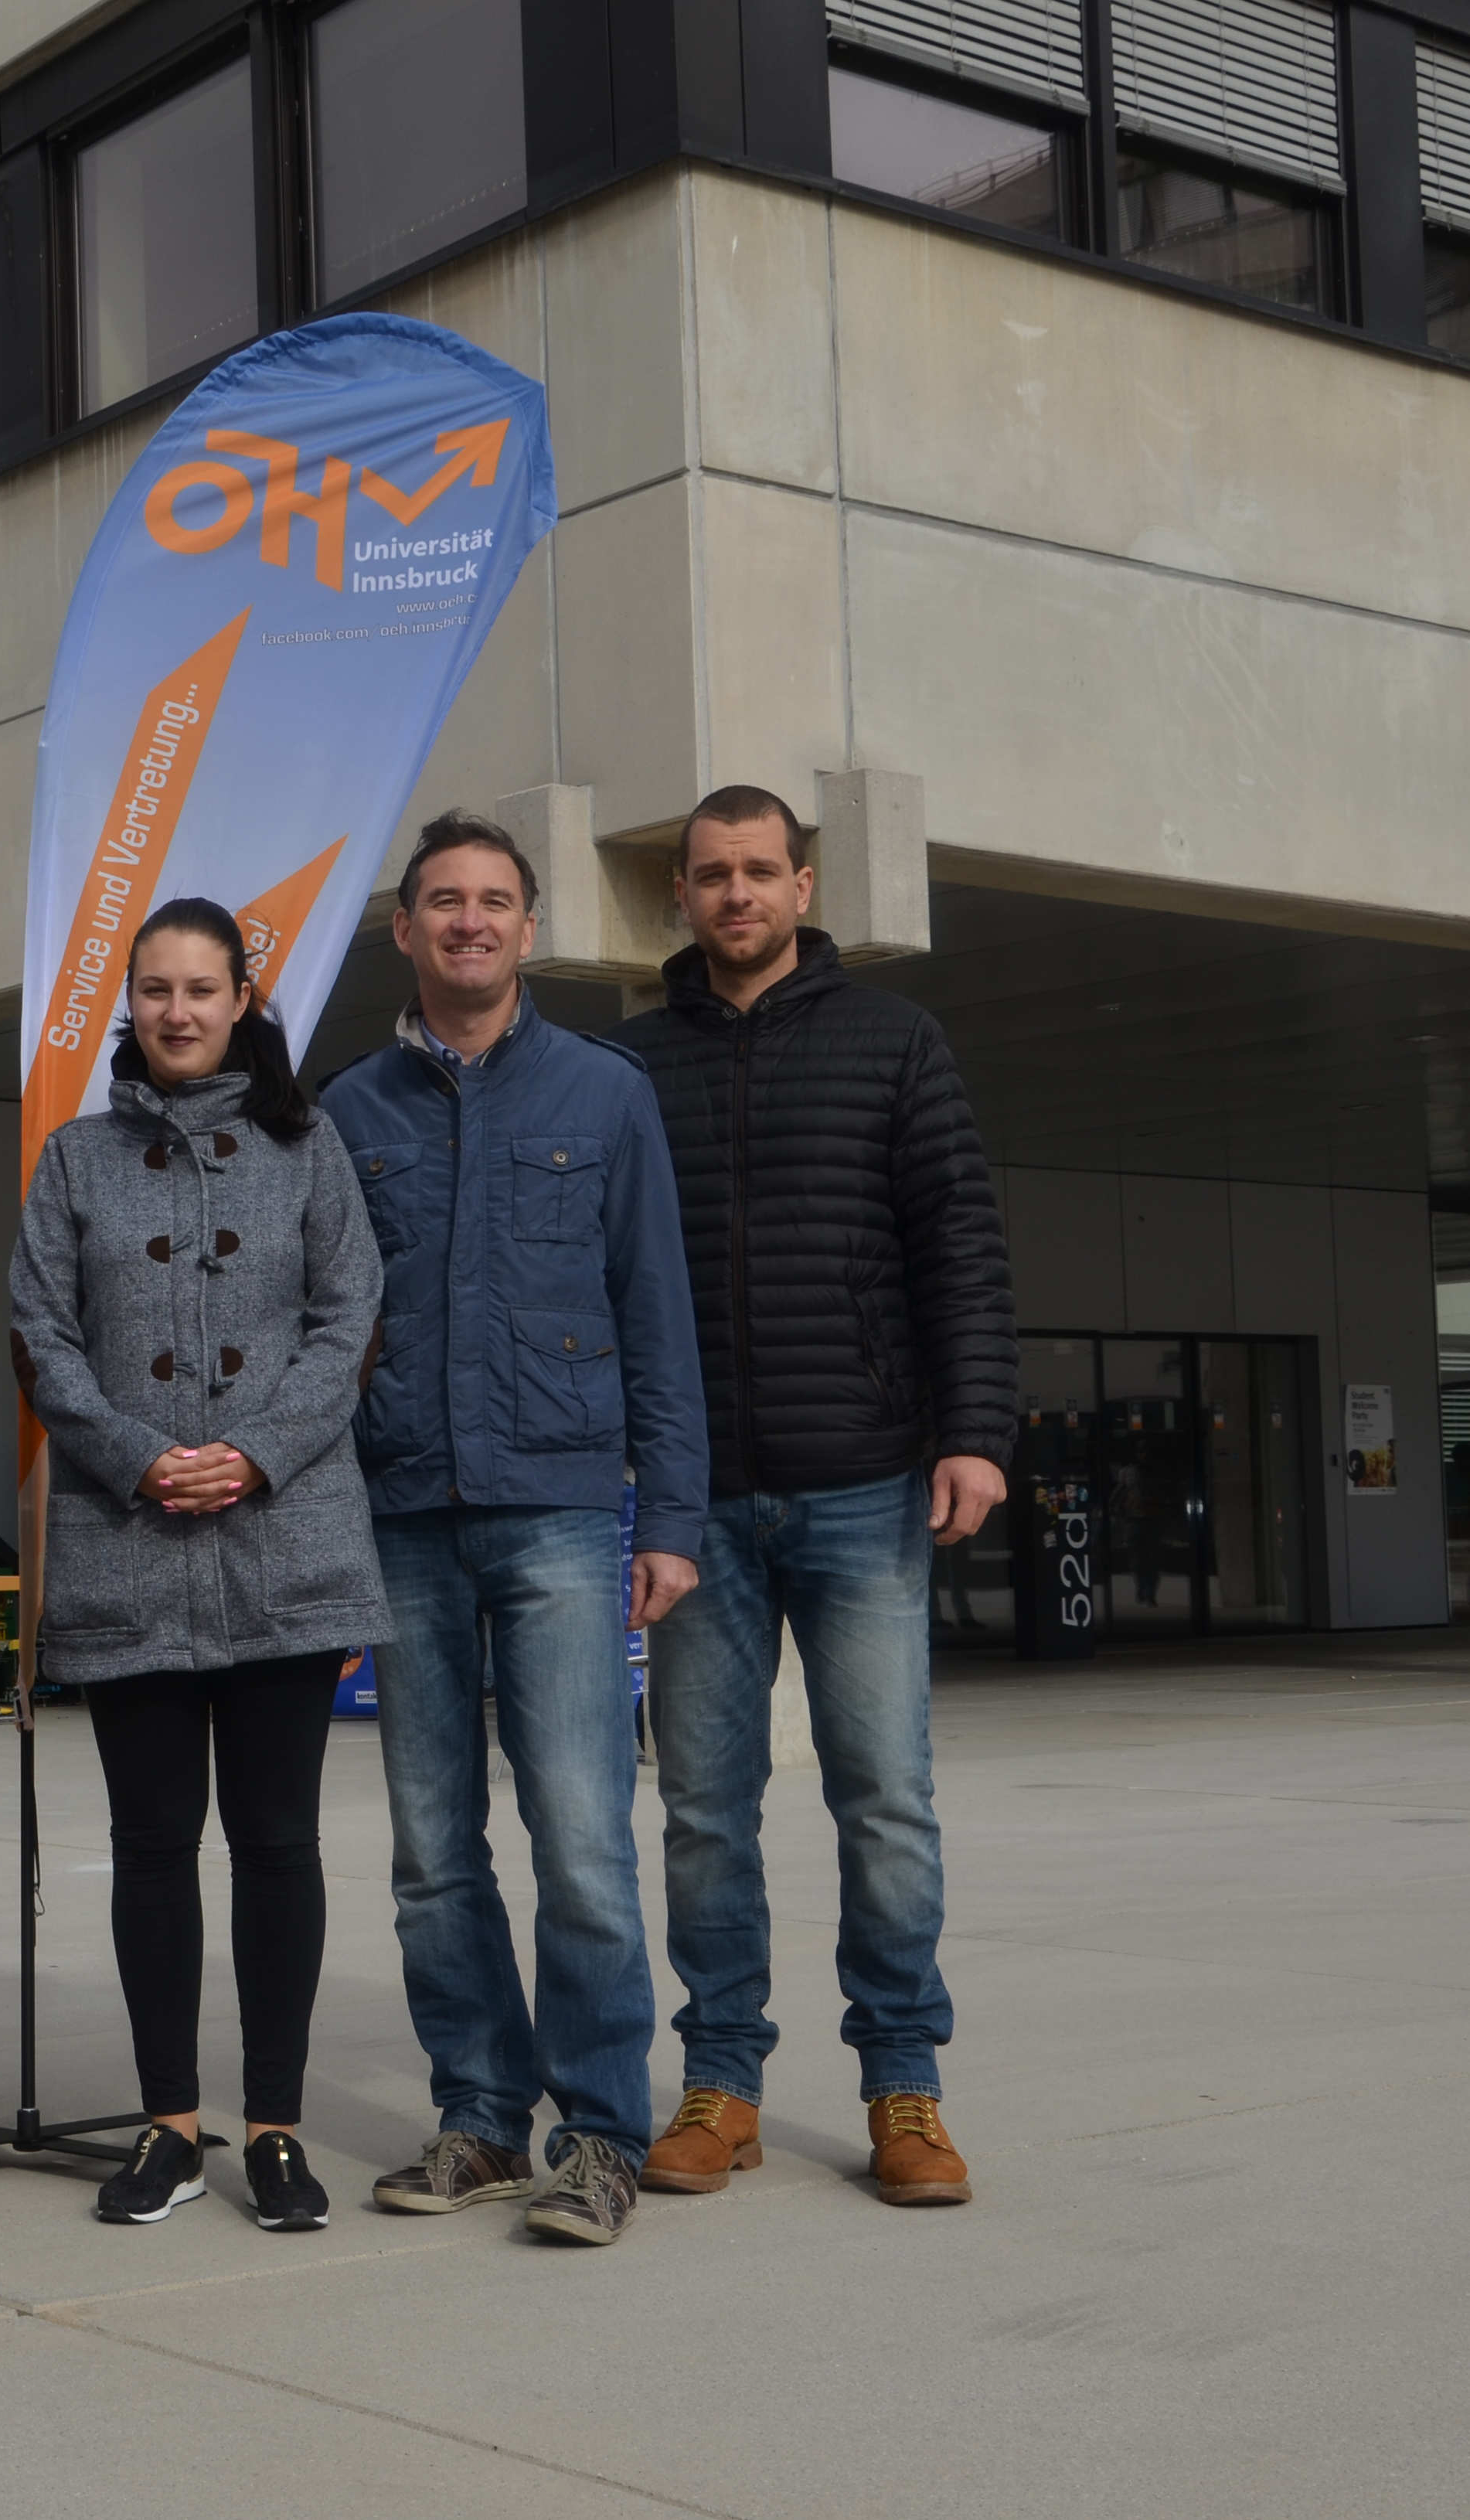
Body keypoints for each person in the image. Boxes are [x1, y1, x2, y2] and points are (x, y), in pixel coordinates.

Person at [615, 784, 1015, 2208]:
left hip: (861, 1485)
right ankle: (722, 2083)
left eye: (760, 873)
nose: (737, 896)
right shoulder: (630, 1066)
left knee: (884, 1802)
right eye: (712, 876)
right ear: (682, 894)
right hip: (697, 1500)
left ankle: (905, 2086)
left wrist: (973, 1429)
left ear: (804, 884)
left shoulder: (893, 1040)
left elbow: (957, 1243)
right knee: (705, 1810)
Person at [321, 810, 708, 2248]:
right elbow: (322, 1336)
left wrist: (666, 1513)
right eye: (443, 902)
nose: (470, 922)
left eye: (495, 902)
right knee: (433, 1852)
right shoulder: (348, 1112)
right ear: (406, 929)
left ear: (528, 929)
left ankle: (600, 2133)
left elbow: (657, 1318)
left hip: (558, 1513)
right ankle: (481, 2117)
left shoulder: (604, 1097)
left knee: (586, 1842)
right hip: (403, 1518)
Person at [11, 898, 389, 2232]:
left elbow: (348, 1320)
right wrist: (135, 1453)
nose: (178, 1011)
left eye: (202, 989)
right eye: (155, 989)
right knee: (153, 1843)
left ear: (244, 999)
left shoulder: (309, 1148)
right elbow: (42, 1336)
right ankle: (169, 2126)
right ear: (131, 1000)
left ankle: (274, 2130)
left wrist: (255, 1453)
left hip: (283, 1540)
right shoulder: (74, 1159)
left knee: (279, 1842)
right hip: (130, 1543)